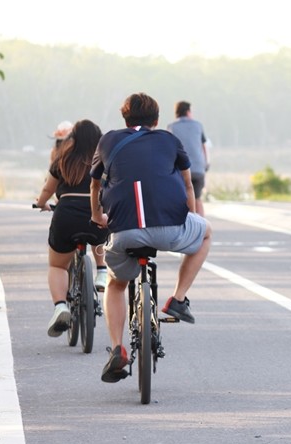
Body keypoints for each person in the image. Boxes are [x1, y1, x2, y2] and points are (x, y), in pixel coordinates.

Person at [90, 93, 212, 383]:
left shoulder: (107, 141)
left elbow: (95, 184)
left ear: (124, 118)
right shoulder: (169, 140)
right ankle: (178, 299)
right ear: (157, 121)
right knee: (206, 233)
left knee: (115, 284)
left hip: (125, 232)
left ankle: (118, 348)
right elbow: (186, 184)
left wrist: (96, 215)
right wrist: (191, 216)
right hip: (170, 226)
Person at [34, 120, 109, 338]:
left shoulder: (63, 159)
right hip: (96, 215)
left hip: (66, 215)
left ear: (72, 139)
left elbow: (48, 189)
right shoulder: (105, 160)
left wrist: (41, 203)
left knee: (57, 266)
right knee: (100, 237)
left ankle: (60, 307)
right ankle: (102, 272)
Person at [167, 101, 209, 216]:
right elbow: (204, 147)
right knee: (197, 198)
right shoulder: (198, 125)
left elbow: (169, 149)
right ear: (188, 112)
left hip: (180, 170)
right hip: (199, 169)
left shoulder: (171, 127)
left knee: (181, 199)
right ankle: (201, 229)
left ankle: (186, 228)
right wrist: (206, 164)